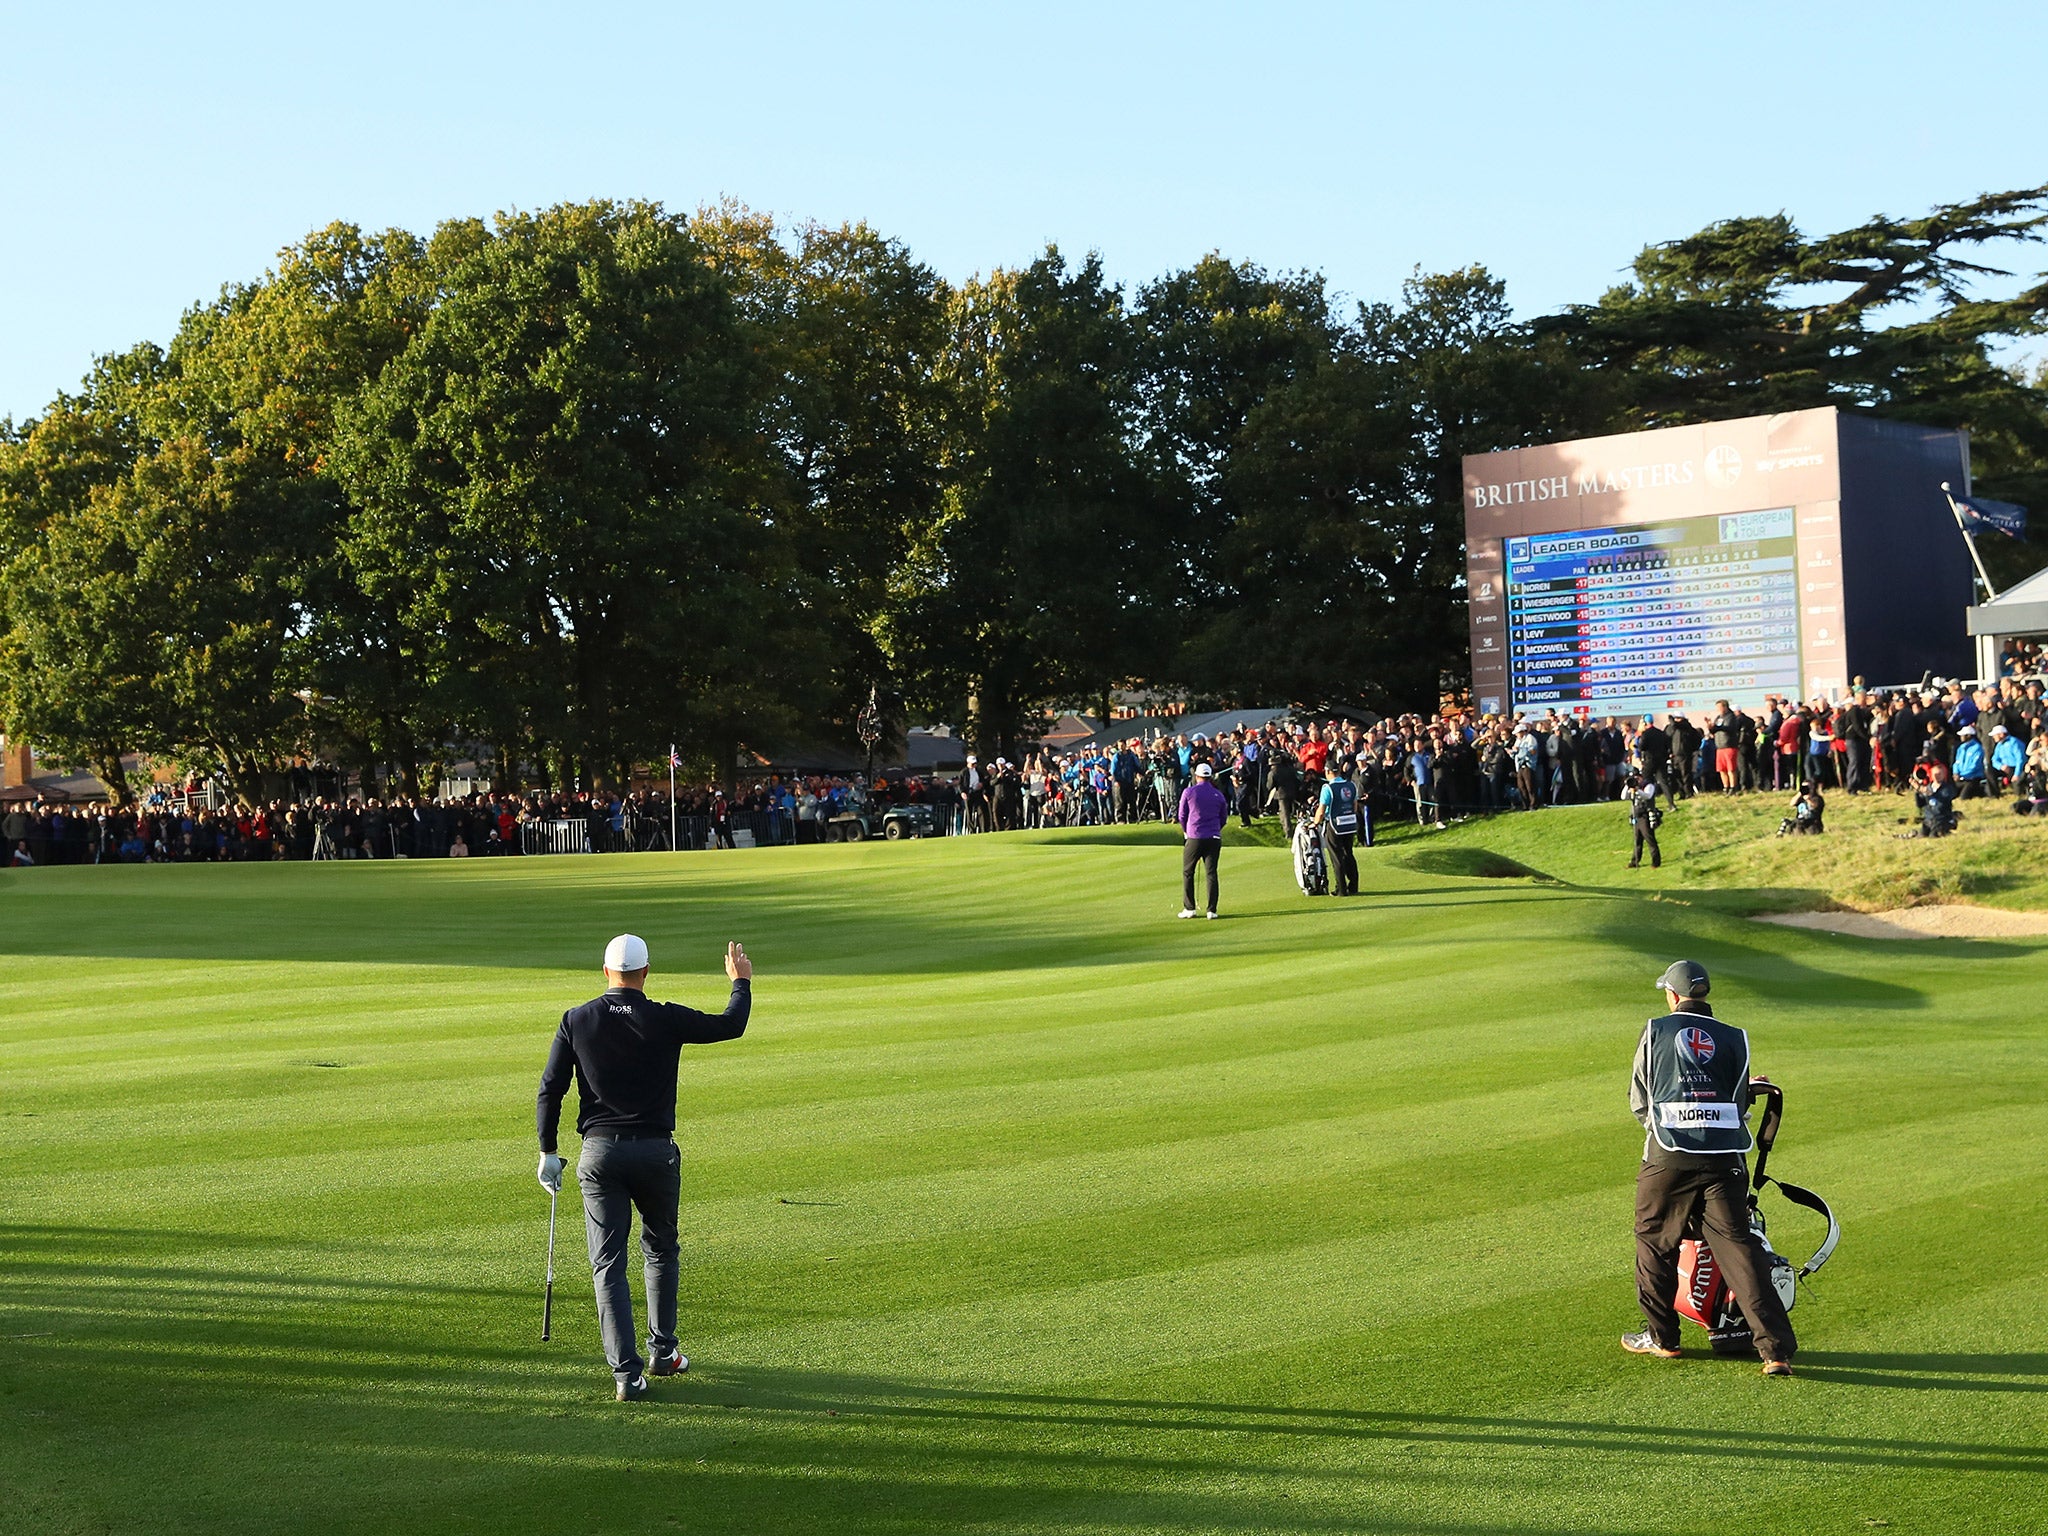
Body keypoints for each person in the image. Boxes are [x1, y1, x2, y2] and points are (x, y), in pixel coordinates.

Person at [536, 933, 754, 1401]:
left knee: (608, 1264)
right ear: (646, 972)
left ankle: (627, 1375)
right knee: (660, 1250)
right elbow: (731, 1025)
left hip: (599, 1156)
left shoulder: (576, 1020)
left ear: (605, 972)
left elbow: (550, 1088)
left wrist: (548, 1150)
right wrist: (741, 983)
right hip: (655, 1154)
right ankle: (664, 1352)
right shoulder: (664, 1017)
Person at [1623, 960, 1796, 1376]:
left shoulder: (1655, 1030)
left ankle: (1663, 1338)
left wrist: (1673, 1127)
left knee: (1653, 1240)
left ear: (1673, 994)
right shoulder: (1736, 1038)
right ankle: (1774, 1352)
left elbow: (1640, 1101)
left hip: (1668, 1156)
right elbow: (1739, 1105)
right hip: (1725, 1161)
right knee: (1739, 1250)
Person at [1176, 761, 1227, 919]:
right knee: (1211, 873)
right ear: (1210, 777)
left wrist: (1186, 831)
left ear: (1197, 776)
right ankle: (1212, 910)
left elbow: (1181, 816)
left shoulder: (1189, 792)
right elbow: (1223, 818)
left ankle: (1189, 908)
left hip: (1195, 837)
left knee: (1188, 872)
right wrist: (1215, 830)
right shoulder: (1218, 794)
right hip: (1213, 837)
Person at [1313, 761, 1361, 897]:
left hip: (1334, 825)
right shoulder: (1351, 785)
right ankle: (1353, 886)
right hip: (1350, 824)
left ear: (1328, 772)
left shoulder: (1327, 788)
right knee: (1349, 854)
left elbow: (1321, 811)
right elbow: (1354, 805)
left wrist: (1315, 823)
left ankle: (1341, 889)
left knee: (1337, 857)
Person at [1625, 773, 1661, 869]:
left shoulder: (1648, 785)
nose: (1636, 780)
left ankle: (1656, 862)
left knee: (1650, 839)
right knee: (1637, 840)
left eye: (1637, 777)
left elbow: (1648, 796)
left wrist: (1637, 790)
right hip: (1636, 816)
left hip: (1645, 816)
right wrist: (1627, 786)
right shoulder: (1632, 788)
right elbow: (1623, 797)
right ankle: (1634, 861)